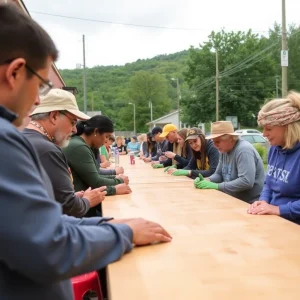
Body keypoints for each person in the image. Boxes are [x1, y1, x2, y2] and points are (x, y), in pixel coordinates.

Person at [0, 5, 171, 299]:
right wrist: (124, 234)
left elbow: (34, 224)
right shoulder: (7, 140)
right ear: (15, 72)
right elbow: (49, 246)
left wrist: (108, 224)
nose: (37, 100)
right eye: (40, 85)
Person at [24, 88, 107, 217]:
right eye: (73, 122)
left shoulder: (22, 139)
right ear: (54, 116)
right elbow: (69, 207)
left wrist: (72, 197)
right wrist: (87, 200)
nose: (74, 129)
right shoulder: (48, 149)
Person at [248, 91, 300, 224]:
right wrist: (263, 201)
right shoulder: (274, 149)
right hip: (275, 220)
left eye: (269, 128)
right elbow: (269, 183)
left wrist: (278, 209)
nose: (264, 134)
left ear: (287, 126)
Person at [63, 115, 131, 216]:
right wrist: (117, 184)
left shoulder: (83, 145)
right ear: (96, 132)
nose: (106, 141)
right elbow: (96, 182)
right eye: (106, 136)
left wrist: (115, 177)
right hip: (80, 212)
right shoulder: (79, 147)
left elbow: (95, 172)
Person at [194, 121, 264, 203]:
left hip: (250, 203)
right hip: (233, 199)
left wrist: (217, 186)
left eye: (217, 141)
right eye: (213, 141)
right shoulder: (223, 150)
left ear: (230, 138)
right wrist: (208, 180)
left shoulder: (243, 150)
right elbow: (219, 174)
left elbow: (246, 181)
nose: (214, 145)